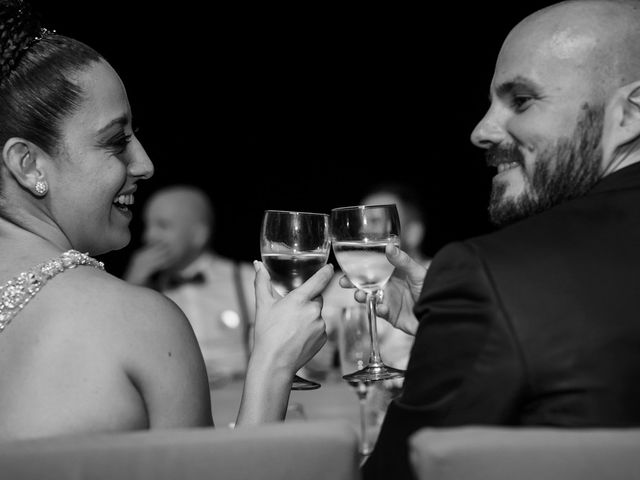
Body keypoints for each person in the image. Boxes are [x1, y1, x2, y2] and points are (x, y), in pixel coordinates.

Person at [0, 0, 332, 441]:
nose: (145, 163)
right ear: (29, 165)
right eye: (117, 141)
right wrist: (273, 364)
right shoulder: (138, 323)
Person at [339, 1, 640, 478]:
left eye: (521, 100)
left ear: (630, 114)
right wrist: (463, 333)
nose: (481, 131)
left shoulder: (494, 273)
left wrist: (486, 302)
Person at [123, 184, 255, 384]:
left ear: (198, 235)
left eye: (163, 225)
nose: (149, 236)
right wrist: (132, 284)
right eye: (148, 225)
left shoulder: (246, 279)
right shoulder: (142, 290)